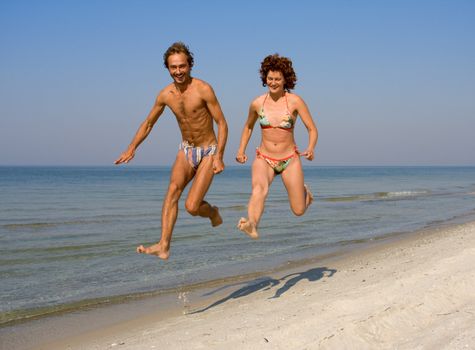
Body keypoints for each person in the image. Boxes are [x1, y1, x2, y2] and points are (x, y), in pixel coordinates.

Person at [115, 42, 228, 260]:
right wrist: (132, 148)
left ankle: (213, 212)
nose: (178, 71)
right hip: (186, 149)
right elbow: (148, 123)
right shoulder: (165, 95)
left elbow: (222, 123)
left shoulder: (203, 89)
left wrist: (219, 156)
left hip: (209, 150)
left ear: (190, 65)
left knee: (192, 207)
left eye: (182, 66)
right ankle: (164, 245)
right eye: (173, 67)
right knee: (172, 193)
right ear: (167, 68)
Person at [235, 54, 318, 239]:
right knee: (259, 189)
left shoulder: (295, 101)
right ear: (265, 78)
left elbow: (312, 129)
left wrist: (311, 148)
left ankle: (306, 195)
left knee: (298, 211)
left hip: (290, 160)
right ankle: (252, 224)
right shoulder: (257, 103)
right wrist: (241, 150)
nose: (273, 82)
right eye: (270, 78)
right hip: (264, 158)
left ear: (285, 80)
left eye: (277, 79)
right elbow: (248, 127)